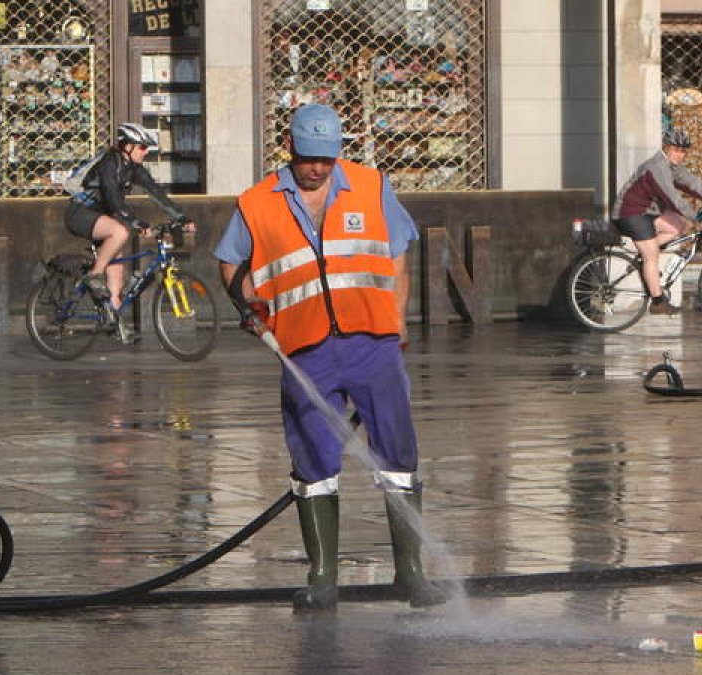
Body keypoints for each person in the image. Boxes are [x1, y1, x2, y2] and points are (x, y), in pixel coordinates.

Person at [215, 104, 444, 612]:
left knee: (398, 456)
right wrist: (249, 304)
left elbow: (399, 250)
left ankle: (411, 574)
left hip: (373, 344)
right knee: (314, 460)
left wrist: (399, 320)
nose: (318, 168)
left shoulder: (371, 185)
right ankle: (322, 578)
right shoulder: (257, 203)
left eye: (327, 157)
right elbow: (230, 261)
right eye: (308, 158)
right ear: (290, 148)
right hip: (305, 350)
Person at [63, 123, 197, 342]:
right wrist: (136, 222)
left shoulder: (133, 167)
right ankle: (93, 276)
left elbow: (155, 192)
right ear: (127, 146)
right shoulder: (110, 162)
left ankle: (115, 323)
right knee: (120, 232)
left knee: (117, 271)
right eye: (142, 147)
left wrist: (181, 217)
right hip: (80, 213)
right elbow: (113, 200)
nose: (146, 152)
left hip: (103, 217)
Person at [612, 128, 702, 314]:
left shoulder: (672, 166)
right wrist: (696, 215)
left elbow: (692, 183)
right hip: (630, 212)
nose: (679, 154)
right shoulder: (657, 167)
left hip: (648, 211)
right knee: (652, 256)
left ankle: (647, 256)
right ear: (666, 148)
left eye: (683, 151)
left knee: (679, 225)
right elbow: (672, 198)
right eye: (675, 150)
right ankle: (658, 302)